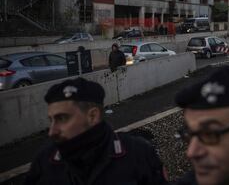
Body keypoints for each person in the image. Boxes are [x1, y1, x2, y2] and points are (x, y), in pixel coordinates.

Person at [24, 77, 168, 185]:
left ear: (92, 116)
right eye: (51, 120)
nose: (52, 131)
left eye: (62, 118)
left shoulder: (138, 154)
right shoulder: (44, 161)